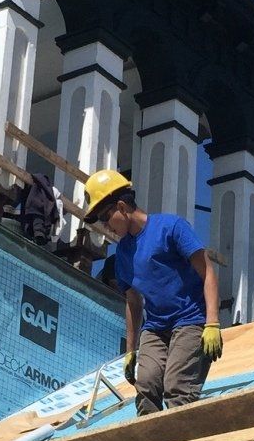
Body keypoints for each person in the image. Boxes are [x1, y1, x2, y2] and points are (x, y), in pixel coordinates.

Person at [80, 170, 223, 416]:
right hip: (155, 327)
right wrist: (131, 350)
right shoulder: (123, 253)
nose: (105, 226)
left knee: (177, 387)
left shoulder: (171, 227)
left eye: (105, 217)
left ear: (122, 207)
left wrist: (212, 323)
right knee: (146, 386)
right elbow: (133, 302)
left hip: (190, 320)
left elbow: (207, 271)